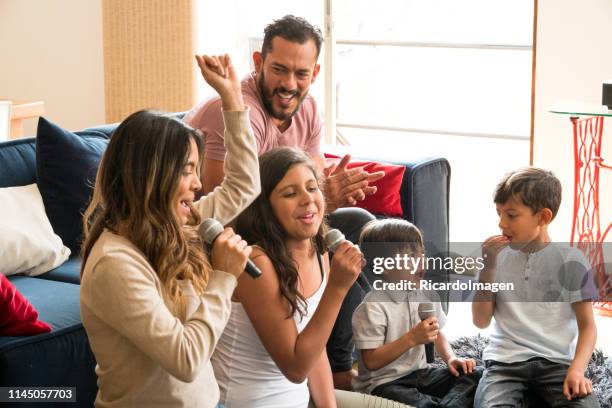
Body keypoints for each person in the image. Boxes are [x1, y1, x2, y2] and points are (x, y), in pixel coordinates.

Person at [185, 15, 385, 389]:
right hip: (220, 235)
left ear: (316, 72)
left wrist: (325, 195)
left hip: (272, 218)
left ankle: (350, 359)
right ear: (259, 63)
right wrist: (319, 197)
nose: (289, 84)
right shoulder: (232, 111)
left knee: (357, 226)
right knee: (327, 244)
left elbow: (310, 184)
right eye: (279, 70)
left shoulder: (307, 110)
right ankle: (336, 368)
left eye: (301, 73)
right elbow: (227, 209)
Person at [80, 54, 260, 408]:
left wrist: (232, 100)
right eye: (187, 171)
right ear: (151, 178)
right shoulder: (113, 264)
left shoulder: (179, 224)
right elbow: (186, 359)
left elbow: (244, 184)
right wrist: (222, 277)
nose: (198, 185)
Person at [211, 147, 364, 407]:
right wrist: (337, 288)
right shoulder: (255, 263)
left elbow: (315, 350)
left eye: (312, 188)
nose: (307, 199)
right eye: (290, 193)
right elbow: (295, 367)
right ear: (265, 208)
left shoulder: (320, 249)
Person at [472, 167, 599, 407]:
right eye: (499, 213)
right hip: (505, 363)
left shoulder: (572, 260)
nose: (501, 223)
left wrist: (577, 371)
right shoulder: (494, 258)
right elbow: (481, 321)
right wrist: (488, 269)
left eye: (511, 215)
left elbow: (588, 326)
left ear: (543, 217)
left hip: (557, 363)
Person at [352, 218, 482, 407]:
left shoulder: (426, 292)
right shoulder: (372, 307)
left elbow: (436, 332)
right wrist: (412, 338)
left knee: (475, 376)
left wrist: (451, 358)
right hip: (384, 384)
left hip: (421, 374)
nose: (422, 260)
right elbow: (371, 361)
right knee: (419, 403)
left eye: (422, 253)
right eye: (411, 256)